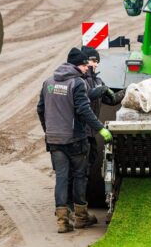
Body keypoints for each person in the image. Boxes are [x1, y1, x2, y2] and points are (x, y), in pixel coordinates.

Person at [37, 48, 113, 233]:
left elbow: (40, 109)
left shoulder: (48, 82)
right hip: (75, 139)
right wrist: (100, 129)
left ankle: (62, 221)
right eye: (84, 65)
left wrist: (48, 130)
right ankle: (80, 217)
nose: (87, 68)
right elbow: (83, 109)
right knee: (80, 176)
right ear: (77, 65)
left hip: (54, 139)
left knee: (62, 178)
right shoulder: (77, 83)